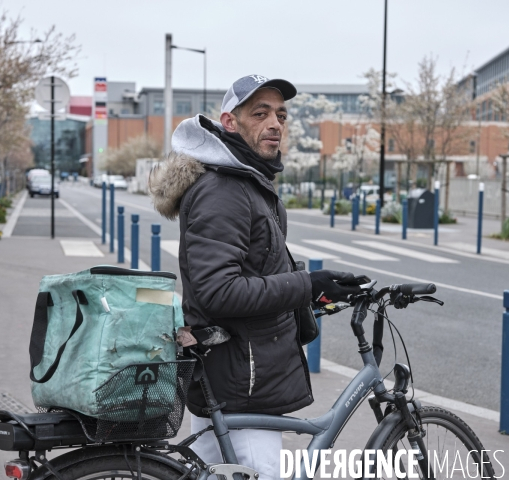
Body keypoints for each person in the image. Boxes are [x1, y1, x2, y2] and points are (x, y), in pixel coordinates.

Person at [150, 75, 363, 479]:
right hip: (241, 384)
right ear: (230, 122)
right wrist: (308, 285)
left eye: (281, 115)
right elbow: (218, 291)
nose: (275, 124)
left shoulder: (247, 183)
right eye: (260, 113)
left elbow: (256, 268)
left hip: (237, 373)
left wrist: (313, 291)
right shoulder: (223, 190)